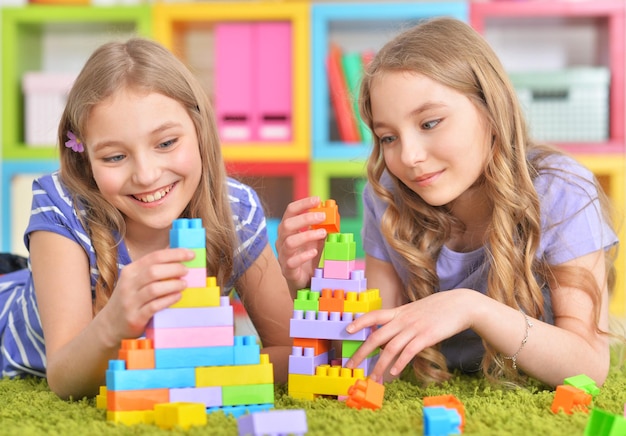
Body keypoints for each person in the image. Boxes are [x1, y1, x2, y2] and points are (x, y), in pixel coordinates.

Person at [276, 17, 619, 388]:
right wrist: (314, 288)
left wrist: (471, 307)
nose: (408, 156)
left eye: (429, 123)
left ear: (491, 109)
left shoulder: (561, 190)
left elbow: (589, 368)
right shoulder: (387, 194)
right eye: (388, 137)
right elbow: (374, 356)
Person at [0, 38, 294, 399]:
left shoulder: (236, 211)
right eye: (114, 157)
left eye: (167, 143)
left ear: (199, 129)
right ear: (85, 159)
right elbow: (63, 378)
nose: (146, 175)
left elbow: (292, 354)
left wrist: (208, 369)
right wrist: (114, 323)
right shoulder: (62, 206)